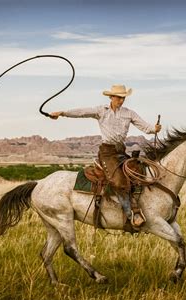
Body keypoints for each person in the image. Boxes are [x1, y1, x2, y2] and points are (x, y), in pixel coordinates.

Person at [50, 84, 161, 227]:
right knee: (118, 180)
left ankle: (144, 206)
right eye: (118, 97)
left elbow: (145, 127)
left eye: (123, 98)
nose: (121, 100)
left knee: (137, 173)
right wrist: (62, 113)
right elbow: (82, 112)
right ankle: (131, 214)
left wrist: (154, 129)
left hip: (121, 151)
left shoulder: (129, 113)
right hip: (107, 153)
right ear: (111, 97)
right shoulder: (101, 111)